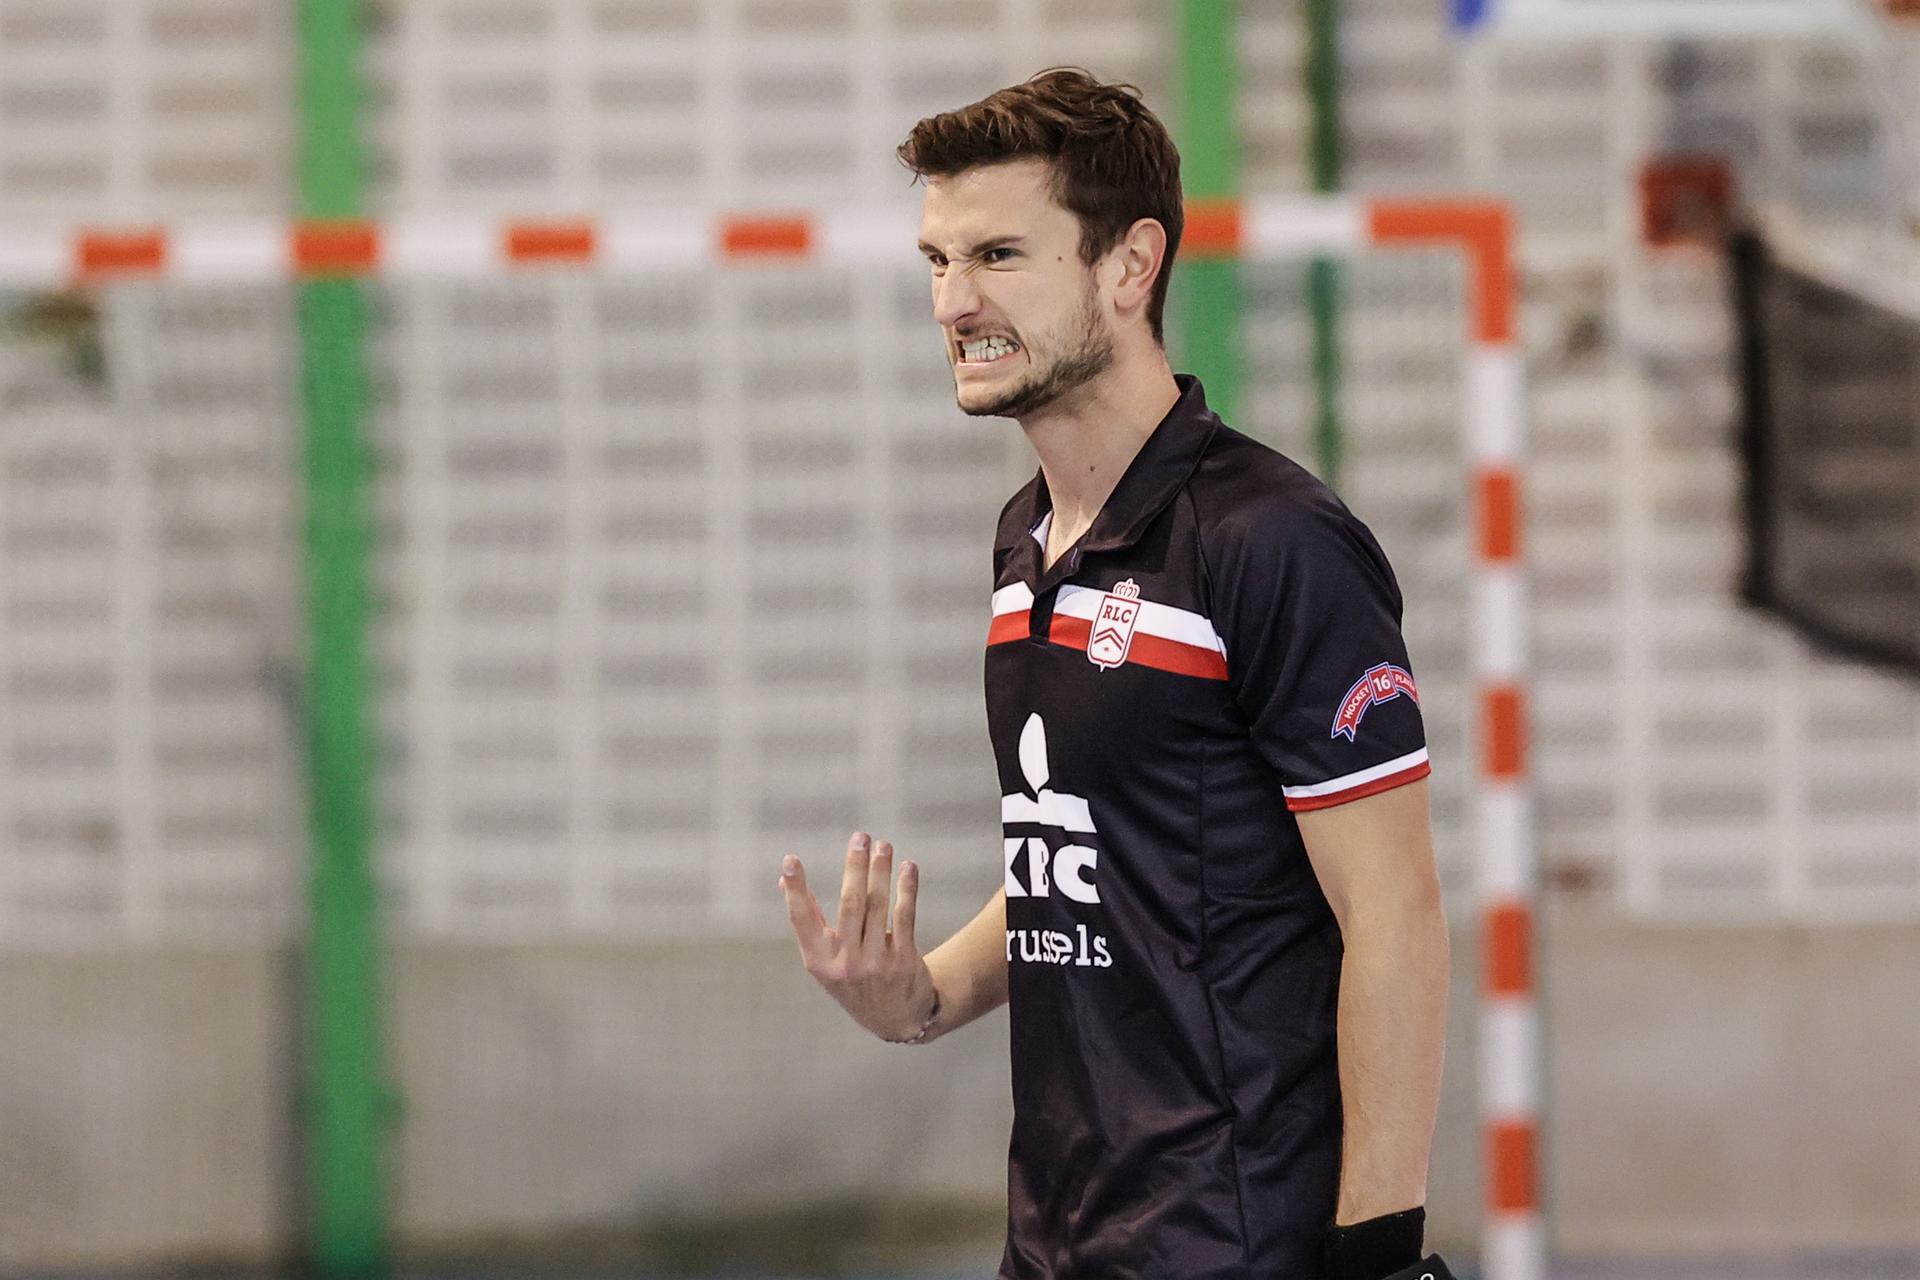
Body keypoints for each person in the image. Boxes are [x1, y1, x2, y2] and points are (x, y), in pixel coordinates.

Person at [777, 68, 1453, 1280]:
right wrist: (919, 997)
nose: (954, 301)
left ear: (1129, 267)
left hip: (1236, 1243)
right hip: (1055, 1238)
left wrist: (1381, 1251)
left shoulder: (1274, 542)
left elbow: (1393, 916)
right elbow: (1079, 861)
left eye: (996, 256)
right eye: (936, 261)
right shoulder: (1023, 540)